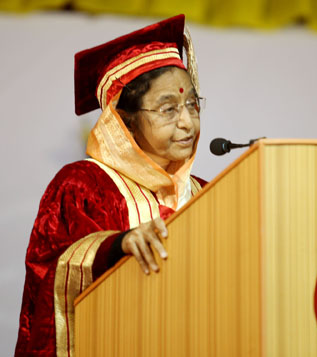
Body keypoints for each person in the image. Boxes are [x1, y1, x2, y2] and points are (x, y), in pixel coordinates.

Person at [15, 14, 207, 356]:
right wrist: (118, 246)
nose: (187, 121)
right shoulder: (82, 184)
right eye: (168, 108)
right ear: (124, 121)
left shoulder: (205, 192)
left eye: (192, 104)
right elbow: (50, 276)